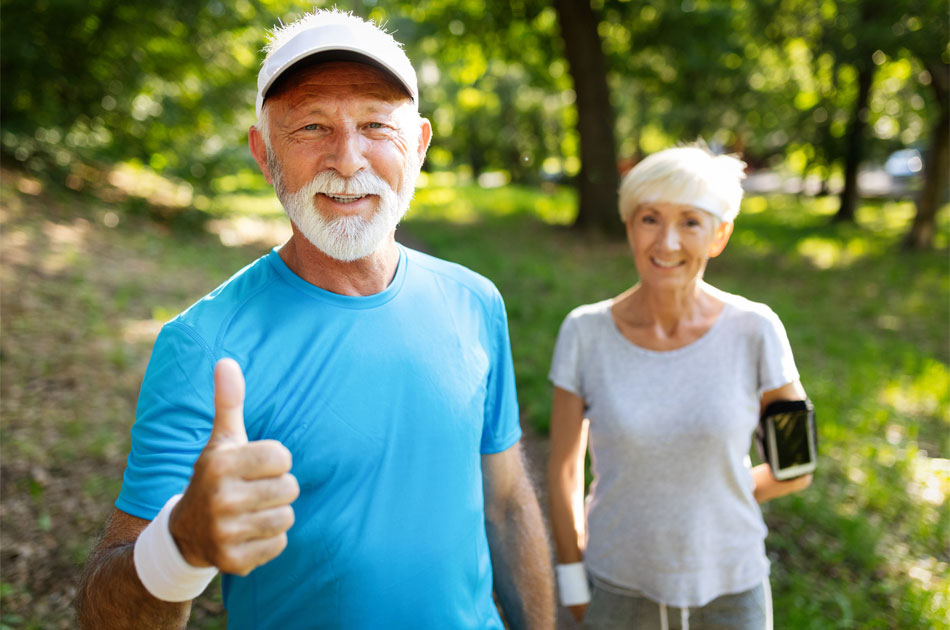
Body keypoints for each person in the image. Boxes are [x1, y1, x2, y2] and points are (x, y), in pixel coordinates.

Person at [76, 9, 555, 630]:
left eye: (377, 125)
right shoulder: (202, 346)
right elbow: (102, 618)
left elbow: (509, 502)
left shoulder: (476, 301)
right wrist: (179, 546)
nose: (349, 159)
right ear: (262, 149)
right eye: (311, 126)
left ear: (419, 144)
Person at [546, 145, 813, 630]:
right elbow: (564, 470)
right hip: (614, 586)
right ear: (629, 225)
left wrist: (706, 492)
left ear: (720, 235)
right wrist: (571, 580)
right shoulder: (583, 333)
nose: (666, 242)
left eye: (691, 222)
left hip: (732, 591)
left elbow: (797, 467)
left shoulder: (758, 330)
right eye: (650, 218)